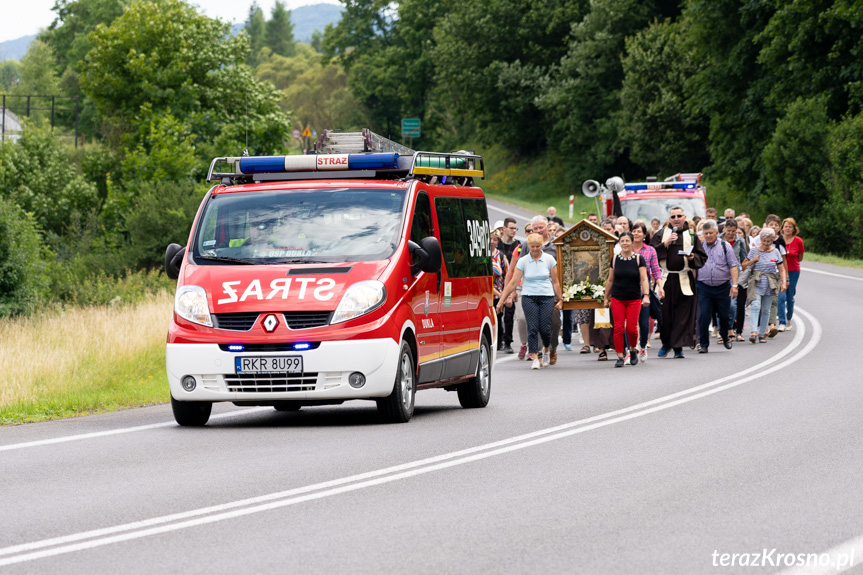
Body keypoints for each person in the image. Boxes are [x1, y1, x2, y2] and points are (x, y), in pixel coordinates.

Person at [496, 233, 563, 370]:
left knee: (544, 328)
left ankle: (545, 350)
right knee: (532, 328)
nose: (535, 249)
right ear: (528, 246)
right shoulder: (523, 261)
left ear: (541, 246)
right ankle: (534, 357)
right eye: (532, 247)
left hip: (546, 296)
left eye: (538, 246)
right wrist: (501, 300)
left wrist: (560, 299)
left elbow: (556, 282)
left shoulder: (549, 259)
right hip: (529, 296)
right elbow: (513, 282)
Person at [650, 206, 707, 358]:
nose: (676, 219)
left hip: (684, 280)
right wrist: (666, 243)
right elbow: (650, 253)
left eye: (679, 216)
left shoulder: (692, 235)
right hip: (665, 279)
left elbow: (702, 256)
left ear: (684, 217)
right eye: (673, 216)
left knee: (683, 316)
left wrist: (692, 258)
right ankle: (666, 343)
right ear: (669, 219)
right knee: (665, 315)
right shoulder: (661, 234)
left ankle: (677, 347)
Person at [604, 232, 649, 367]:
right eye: (622, 241)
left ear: (631, 242)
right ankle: (619, 356)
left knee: (631, 329)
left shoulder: (638, 258)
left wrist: (646, 295)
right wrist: (606, 297)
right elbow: (610, 279)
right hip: (617, 297)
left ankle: (633, 349)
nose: (624, 243)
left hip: (634, 298)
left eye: (627, 241)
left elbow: (644, 278)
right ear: (619, 243)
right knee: (618, 328)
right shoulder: (614, 259)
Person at [695, 220, 738, 353]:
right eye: (705, 233)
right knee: (703, 316)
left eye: (710, 233)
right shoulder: (700, 247)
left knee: (724, 316)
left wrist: (735, 285)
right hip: (704, 287)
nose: (708, 236)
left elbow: (733, 266)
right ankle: (703, 344)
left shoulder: (725, 247)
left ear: (717, 233)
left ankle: (725, 336)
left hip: (722, 287)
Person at [742, 228, 786, 343]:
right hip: (757, 281)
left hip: (770, 282)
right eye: (764, 241)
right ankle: (753, 332)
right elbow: (743, 265)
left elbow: (781, 268)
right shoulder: (754, 251)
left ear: (772, 240)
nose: (766, 243)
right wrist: (753, 260)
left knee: (766, 309)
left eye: (768, 241)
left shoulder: (775, 251)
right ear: (760, 239)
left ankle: (762, 333)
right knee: (756, 306)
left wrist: (784, 282)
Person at [631, 221, 664, 363]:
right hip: (628, 291)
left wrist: (660, 287)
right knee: (630, 323)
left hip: (645, 291)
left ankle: (643, 346)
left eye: (639, 231)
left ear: (644, 235)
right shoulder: (626, 249)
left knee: (644, 323)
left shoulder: (650, 250)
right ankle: (631, 350)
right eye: (634, 231)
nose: (636, 234)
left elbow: (656, 271)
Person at [722, 218, 748, 342]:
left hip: (734, 274)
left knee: (733, 305)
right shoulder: (719, 240)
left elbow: (743, 258)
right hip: (721, 273)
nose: (731, 233)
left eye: (733, 231)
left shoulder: (740, 241)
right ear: (724, 230)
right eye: (729, 231)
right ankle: (725, 329)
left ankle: (730, 326)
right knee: (721, 303)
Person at [777, 217, 804, 331]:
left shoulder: (798, 241)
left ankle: (789, 319)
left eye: (790, 227)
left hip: (793, 271)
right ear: (782, 228)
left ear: (794, 229)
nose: (787, 229)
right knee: (781, 296)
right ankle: (782, 322)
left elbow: (800, 258)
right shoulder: (778, 239)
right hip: (780, 271)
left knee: (790, 296)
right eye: (786, 226)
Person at [491, 230, 510, 352]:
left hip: (499, 293)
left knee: (498, 318)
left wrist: (505, 293)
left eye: (495, 240)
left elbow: (507, 274)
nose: (492, 242)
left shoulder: (501, 256)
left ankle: (500, 342)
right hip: (489, 293)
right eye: (490, 239)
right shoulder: (482, 255)